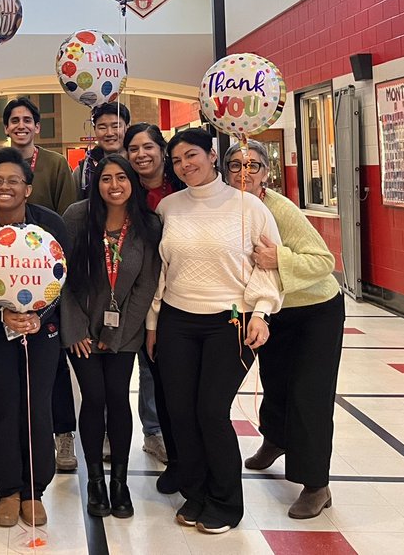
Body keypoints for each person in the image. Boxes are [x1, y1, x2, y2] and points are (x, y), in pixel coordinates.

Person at [147, 128, 283, 535]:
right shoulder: (169, 208)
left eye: (192, 156)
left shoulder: (249, 206)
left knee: (210, 410)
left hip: (230, 321)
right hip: (175, 320)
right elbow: (161, 271)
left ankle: (226, 501)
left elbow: (267, 265)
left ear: (211, 155)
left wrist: (261, 312)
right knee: (181, 413)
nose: (185, 165)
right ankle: (197, 492)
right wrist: (153, 324)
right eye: (176, 160)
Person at [227, 140, 344, 520]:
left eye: (254, 165)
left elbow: (323, 261)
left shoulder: (280, 209)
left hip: (313, 310)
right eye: (235, 165)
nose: (244, 172)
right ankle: (275, 439)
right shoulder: (226, 208)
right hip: (270, 310)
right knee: (275, 380)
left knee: (308, 393)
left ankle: (315, 484)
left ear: (266, 173)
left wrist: (280, 257)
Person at [0, 148, 69, 529]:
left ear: (28, 188)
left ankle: (34, 491)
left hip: (42, 332)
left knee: (36, 406)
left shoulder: (50, 225)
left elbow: (61, 280)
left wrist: (41, 316)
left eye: (13, 181)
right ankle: (7, 489)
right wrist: (2, 313)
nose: (5, 187)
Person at [61, 155, 161, 519]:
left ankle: (119, 481)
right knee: (94, 396)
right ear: (96, 182)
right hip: (81, 331)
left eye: (122, 177)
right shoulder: (76, 217)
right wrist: (76, 330)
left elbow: (147, 283)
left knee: (118, 396)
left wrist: (116, 331)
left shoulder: (148, 224)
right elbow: (63, 278)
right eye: (106, 178)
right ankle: (95, 482)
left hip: (126, 331)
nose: (114, 185)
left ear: (133, 182)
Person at [0, 97, 79, 472]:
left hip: (45, 271)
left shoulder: (54, 164)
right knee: (10, 368)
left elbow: (66, 216)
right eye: (14, 120)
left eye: (27, 120)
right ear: (6, 128)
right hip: (6, 272)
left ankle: (63, 434)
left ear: (37, 127)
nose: (20, 125)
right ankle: (10, 443)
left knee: (54, 364)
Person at [123, 123, 185, 480]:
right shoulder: (122, 189)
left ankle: (155, 432)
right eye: (134, 149)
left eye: (148, 147)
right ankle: (108, 433)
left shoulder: (181, 189)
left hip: (172, 292)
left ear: (162, 150)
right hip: (128, 289)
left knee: (155, 366)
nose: (141, 155)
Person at [74, 102, 130, 198]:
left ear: (127, 127)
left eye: (115, 126)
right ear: (94, 130)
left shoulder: (137, 163)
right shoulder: (84, 171)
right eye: (102, 127)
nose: (109, 133)